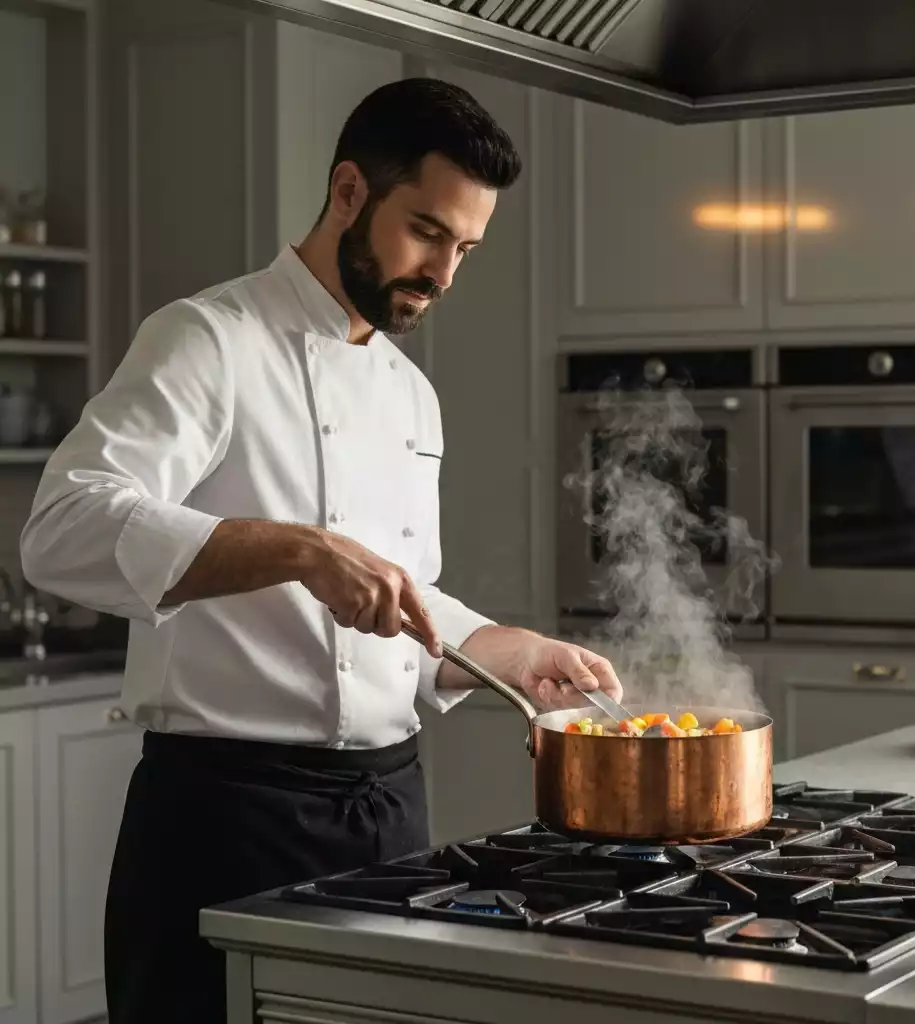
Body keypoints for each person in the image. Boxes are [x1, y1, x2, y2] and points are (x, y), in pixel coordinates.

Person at [19, 78, 623, 1024]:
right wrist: (299, 550)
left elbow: (396, 592)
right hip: (225, 819)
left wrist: (507, 648)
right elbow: (62, 528)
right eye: (427, 231)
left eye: (466, 247)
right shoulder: (207, 340)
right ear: (349, 192)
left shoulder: (410, 393)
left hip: (389, 814)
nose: (446, 274)